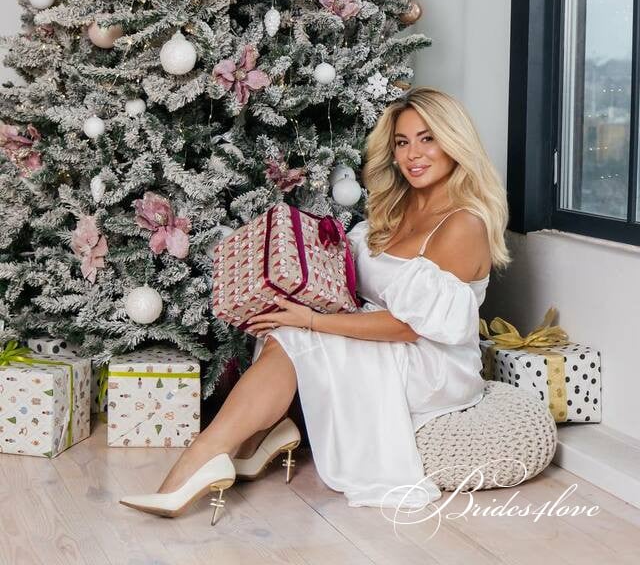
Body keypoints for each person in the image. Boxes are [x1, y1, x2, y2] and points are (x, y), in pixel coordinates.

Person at [120, 86, 510, 522]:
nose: (413, 154)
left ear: (454, 142)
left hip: (431, 362)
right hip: (383, 335)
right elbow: (355, 289)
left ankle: (203, 456)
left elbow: (408, 326)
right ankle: (254, 441)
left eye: (427, 139)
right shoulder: (397, 207)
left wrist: (310, 321)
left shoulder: (462, 224)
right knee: (281, 328)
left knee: (297, 335)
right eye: (402, 142)